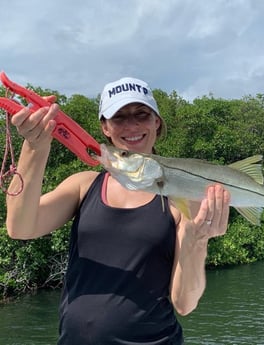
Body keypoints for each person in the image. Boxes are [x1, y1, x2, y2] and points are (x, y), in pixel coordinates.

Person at [6, 76, 231, 345]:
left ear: (156, 122)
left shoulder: (181, 200)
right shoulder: (84, 185)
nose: (132, 125)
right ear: (105, 127)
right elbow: (20, 227)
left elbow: (185, 302)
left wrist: (199, 238)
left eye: (141, 114)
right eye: (119, 117)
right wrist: (35, 145)